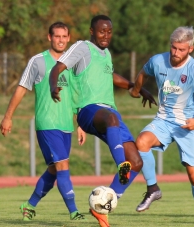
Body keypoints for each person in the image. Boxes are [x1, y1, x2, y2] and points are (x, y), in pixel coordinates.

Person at [49, 15, 156, 227]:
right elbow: (57, 68)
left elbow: (111, 76)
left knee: (136, 162)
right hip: (88, 111)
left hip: (109, 115)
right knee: (113, 121)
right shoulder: (82, 47)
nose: (105, 35)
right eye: (101, 31)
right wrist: (54, 86)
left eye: (109, 32)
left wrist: (136, 87)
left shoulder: (105, 53)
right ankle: (120, 165)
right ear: (91, 31)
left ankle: (101, 208)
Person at [129, 26, 194, 227]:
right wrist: (136, 91)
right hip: (163, 120)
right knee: (141, 142)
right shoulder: (158, 61)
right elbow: (144, 72)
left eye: (181, 49)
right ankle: (153, 189)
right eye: (173, 48)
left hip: (188, 124)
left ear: (190, 48)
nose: (176, 53)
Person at [0, 22, 86, 221]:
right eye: (57, 36)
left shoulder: (71, 64)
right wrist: (8, 116)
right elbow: (21, 88)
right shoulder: (38, 61)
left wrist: (80, 123)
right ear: (49, 37)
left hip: (66, 126)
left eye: (64, 36)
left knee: (54, 170)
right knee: (63, 166)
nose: (61, 40)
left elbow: (74, 95)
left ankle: (29, 206)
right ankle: (74, 212)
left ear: (69, 38)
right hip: (47, 124)